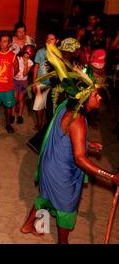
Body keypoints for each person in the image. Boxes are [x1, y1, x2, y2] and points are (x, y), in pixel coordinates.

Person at [21, 85, 119, 243]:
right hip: (60, 173)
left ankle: (28, 225)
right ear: (85, 98)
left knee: (46, 197)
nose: (100, 97)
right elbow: (80, 159)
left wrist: (86, 143)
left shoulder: (67, 105)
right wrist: (110, 176)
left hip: (49, 165)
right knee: (66, 209)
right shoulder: (78, 120)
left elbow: (65, 134)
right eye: (95, 95)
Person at [0, 34, 18, 134]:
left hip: (7, 88)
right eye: (1, 41)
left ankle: (8, 124)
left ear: (9, 44)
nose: (2, 43)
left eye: (5, 41)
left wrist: (6, 77)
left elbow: (16, 70)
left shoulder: (13, 56)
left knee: (8, 108)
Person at [32, 33, 59, 130]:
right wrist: (34, 82)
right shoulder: (41, 52)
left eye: (52, 39)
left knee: (51, 107)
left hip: (54, 85)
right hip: (41, 83)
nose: (49, 40)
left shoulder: (59, 53)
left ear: (57, 41)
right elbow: (36, 67)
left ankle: (49, 126)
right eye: (48, 38)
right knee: (39, 105)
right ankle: (40, 124)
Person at [13, 45, 34, 124]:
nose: (27, 54)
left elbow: (25, 74)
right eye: (26, 52)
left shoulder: (30, 62)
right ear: (23, 51)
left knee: (20, 99)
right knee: (14, 99)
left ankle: (20, 116)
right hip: (15, 80)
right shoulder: (17, 58)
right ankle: (12, 115)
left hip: (23, 82)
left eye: (29, 53)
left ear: (31, 54)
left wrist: (25, 64)